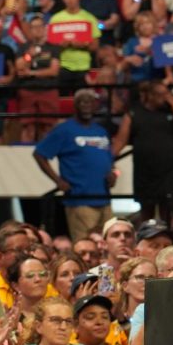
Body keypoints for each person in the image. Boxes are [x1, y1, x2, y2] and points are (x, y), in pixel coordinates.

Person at [33, 90, 116, 242]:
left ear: (95, 106)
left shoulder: (101, 131)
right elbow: (39, 154)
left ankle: (106, 269)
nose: (87, 106)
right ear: (75, 105)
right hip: (80, 200)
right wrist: (58, 181)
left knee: (108, 245)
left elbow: (109, 158)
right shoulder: (64, 130)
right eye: (83, 102)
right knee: (86, 246)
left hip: (104, 198)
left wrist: (112, 173)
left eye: (90, 102)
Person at [110, 79, 173, 225]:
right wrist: (108, 159)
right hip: (145, 171)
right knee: (146, 212)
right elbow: (120, 141)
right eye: (161, 94)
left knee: (169, 211)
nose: (165, 97)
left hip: (168, 171)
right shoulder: (134, 113)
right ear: (150, 95)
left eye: (167, 94)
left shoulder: (170, 112)